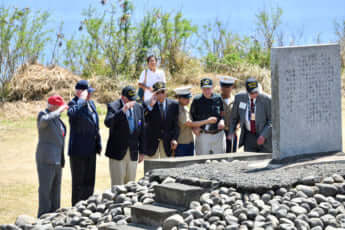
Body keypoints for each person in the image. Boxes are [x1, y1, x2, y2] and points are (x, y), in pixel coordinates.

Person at [67, 80, 102, 206]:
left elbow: (95, 124)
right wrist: (81, 101)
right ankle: (76, 210)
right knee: (78, 184)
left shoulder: (91, 103)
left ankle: (87, 208)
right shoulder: (74, 103)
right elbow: (71, 114)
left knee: (89, 182)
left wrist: (98, 143)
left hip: (91, 149)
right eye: (88, 92)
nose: (90, 95)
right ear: (79, 92)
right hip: (78, 151)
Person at [104, 86, 145, 186]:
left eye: (134, 99)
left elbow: (142, 130)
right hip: (117, 153)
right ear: (123, 97)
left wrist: (142, 151)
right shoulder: (113, 106)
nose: (132, 102)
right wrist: (123, 111)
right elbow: (108, 122)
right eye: (130, 99)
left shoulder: (138, 107)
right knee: (118, 185)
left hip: (133, 152)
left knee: (131, 184)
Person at [36, 95, 68, 217]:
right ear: (54, 106)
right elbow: (43, 122)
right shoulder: (43, 115)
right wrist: (59, 111)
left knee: (56, 190)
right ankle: (42, 216)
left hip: (58, 160)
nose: (62, 110)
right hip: (46, 159)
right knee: (45, 190)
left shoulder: (58, 120)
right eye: (60, 107)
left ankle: (54, 216)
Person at [228, 78, 272, 153]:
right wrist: (231, 131)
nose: (255, 94)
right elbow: (234, 118)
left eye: (256, 92)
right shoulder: (239, 98)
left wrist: (264, 135)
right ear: (247, 91)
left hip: (264, 136)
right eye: (252, 93)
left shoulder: (267, 100)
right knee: (250, 160)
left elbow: (272, 120)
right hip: (249, 137)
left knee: (264, 160)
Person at [143, 81, 179, 158]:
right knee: (151, 168)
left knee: (166, 168)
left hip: (167, 142)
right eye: (157, 92)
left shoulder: (174, 105)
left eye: (162, 92)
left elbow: (176, 124)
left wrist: (175, 138)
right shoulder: (147, 103)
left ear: (166, 92)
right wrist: (150, 106)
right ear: (154, 93)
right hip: (151, 142)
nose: (160, 95)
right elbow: (142, 119)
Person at [190, 78, 226, 155]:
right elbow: (191, 116)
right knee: (202, 161)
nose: (207, 91)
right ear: (201, 89)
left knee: (219, 160)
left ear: (212, 88)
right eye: (204, 89)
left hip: (218, 135)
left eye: (209, 88)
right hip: (203, 135)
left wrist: (222, 120)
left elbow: (222, 113)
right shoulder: (196, 100)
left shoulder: (218, 98)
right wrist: (194, 128)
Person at [174, 86, 194, 157]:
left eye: (188, 97)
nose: (188, 100)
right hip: (181, 143)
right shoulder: (178, 109)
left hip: (189, 141)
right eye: (185, 98)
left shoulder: (185, 107)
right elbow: (189, 123)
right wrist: (207, 121)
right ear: (179, 98)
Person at [219, 76, 238, 153]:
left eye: (228, 86)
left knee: (232, 157)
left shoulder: (236, 100)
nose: (226, 89)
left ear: (232, 87)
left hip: (232, 132)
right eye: (223, 86)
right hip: (219, 133)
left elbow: (240, 116)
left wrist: (236, 127)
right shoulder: (216, 99)